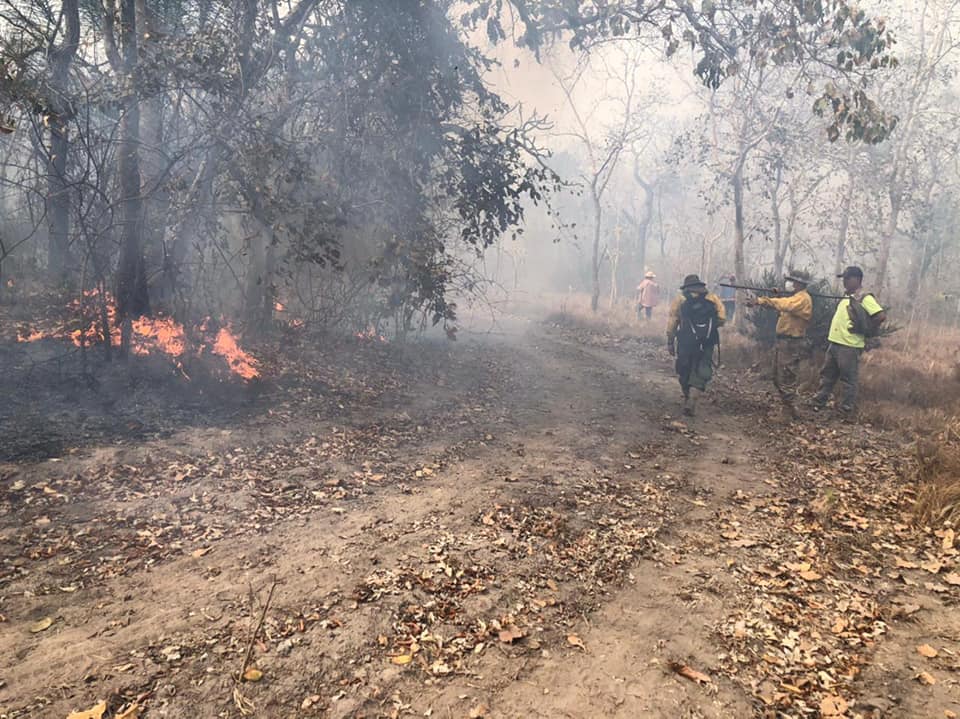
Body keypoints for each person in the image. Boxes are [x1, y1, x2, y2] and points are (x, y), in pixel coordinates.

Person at [813, 266, 886, 415]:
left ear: (857, 279)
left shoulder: (865, 298)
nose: (844, 282)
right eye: (844, 279)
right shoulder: (848, 297)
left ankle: (846, 410)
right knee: (827, 375)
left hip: (849, 345)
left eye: (847, 279)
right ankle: (819, 400)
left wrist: (863, 328)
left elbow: (880, 316)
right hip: (835, 342)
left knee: (848, 379)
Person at [748, 270, 813, 419]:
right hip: (784, 341)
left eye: (793, 281)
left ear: (799, 283)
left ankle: (789, 413)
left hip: (792, 343)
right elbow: (783, 306)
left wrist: (761, 300)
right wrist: (776, 297)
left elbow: (786, 305)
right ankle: (788, 409)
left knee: (787, 377)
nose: (790, 283)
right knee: (777, 377)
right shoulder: (796, 298)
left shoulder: (802, 299)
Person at [666, 274, 726, 416]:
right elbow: (722, 319)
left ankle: (688, 396)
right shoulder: (712, 298)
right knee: (702, 368)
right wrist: (707, 329)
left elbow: (673, 320)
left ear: (686, 287)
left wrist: (670, 340)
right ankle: (693, 397)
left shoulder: (680, 299)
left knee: (684, 368)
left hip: (686, 340)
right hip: (707, 341)